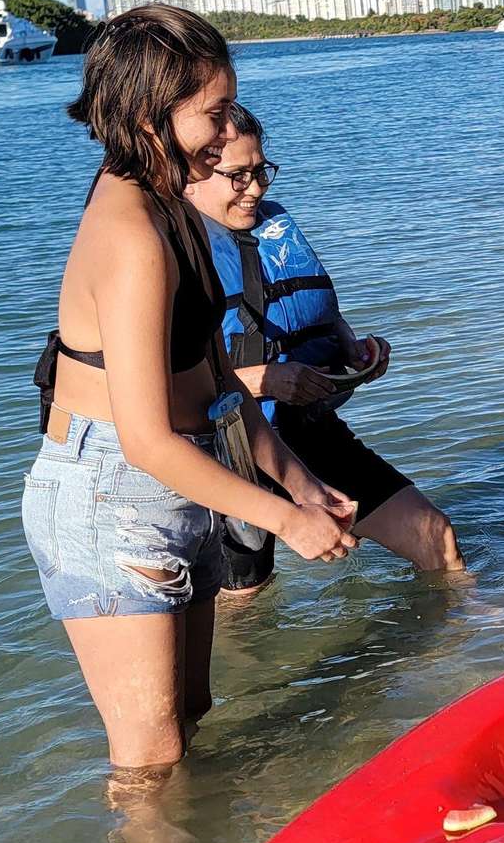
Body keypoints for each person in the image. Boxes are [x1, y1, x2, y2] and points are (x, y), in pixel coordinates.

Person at [23, 6, 359, 771]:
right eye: (213, 112)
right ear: (150, 114)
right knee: (152, 760)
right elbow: (144, 440)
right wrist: (286, 522)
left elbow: (215, 386)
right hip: (110, 489)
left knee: (193, 719)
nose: (227, 127)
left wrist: (302, 485)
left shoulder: (171, 205)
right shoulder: (134, 235)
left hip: (185, 470)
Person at [184, 102, 469, 592]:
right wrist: (264, 380)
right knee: (245, 602)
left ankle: (478, 645)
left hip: (306, 429)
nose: (255, 189)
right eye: (238, 176)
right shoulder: (174, 253)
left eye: (261, 172)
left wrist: (352, 349)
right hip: (228, 454)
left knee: (436, 537)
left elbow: (315, 306)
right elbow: (156, 389)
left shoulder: (270, 228)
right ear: (192, 176)